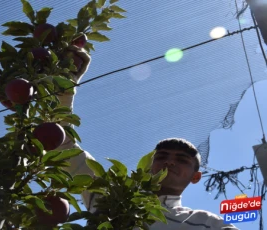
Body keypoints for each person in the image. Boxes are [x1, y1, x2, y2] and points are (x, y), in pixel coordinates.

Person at [55, 45, 239, 229]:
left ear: (196, 177)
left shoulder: (205, 223)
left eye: (182, 160)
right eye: (161, 157)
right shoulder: (110, 195)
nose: (169, 162)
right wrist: (65, 89)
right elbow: (61, 145)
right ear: (147, 166)